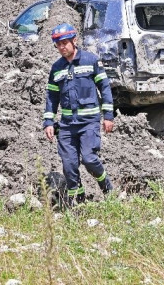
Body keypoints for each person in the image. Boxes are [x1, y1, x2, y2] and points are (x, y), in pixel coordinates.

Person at [43, 23, 114, 207]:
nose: (61, 47)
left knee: (90, 159)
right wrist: (49, 121)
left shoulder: (91, 61)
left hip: (89, 122)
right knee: (69, 165)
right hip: (67, 125)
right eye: (58, 44)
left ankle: (108, 189)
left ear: (74, 41)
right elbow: (51, 96)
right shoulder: (56, 68)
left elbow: (104, 88)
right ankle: (78, 202)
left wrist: (108, 116)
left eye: (64, 43)